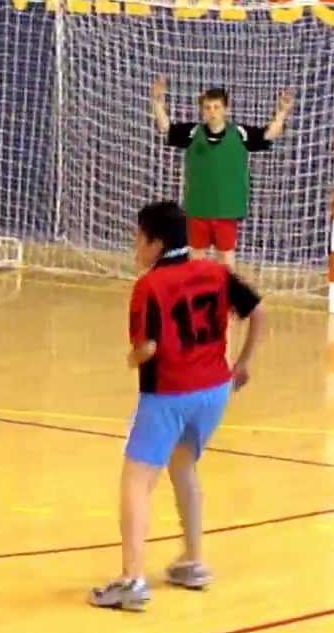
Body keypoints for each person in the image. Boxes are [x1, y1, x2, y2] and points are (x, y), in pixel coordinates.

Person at [90, 200, 265, 612]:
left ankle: (132, 578)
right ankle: (193, 560)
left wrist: (133, 357)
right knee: (183, 466)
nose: (134, 245)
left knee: (136, 479)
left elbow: (146, 349)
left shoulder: (149, 287)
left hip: (168, 393)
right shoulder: (216, 272)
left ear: (155, 242)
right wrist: (244, 363)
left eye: (138, 238)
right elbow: (258, 311)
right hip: (213, 391)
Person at [151, 78, 294, 268]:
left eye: (217, 107)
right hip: (198, 208)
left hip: (226, 209)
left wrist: (282, 112)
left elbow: (269, 134)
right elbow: (165, 127)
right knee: (196, 257)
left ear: (225, 109)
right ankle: (197, 294)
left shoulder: (240, 133)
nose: (212, 112)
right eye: (208, 107)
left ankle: (227, 295)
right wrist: (156, 102)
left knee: (226, 258)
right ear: (202, 110)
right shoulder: (193, 132)